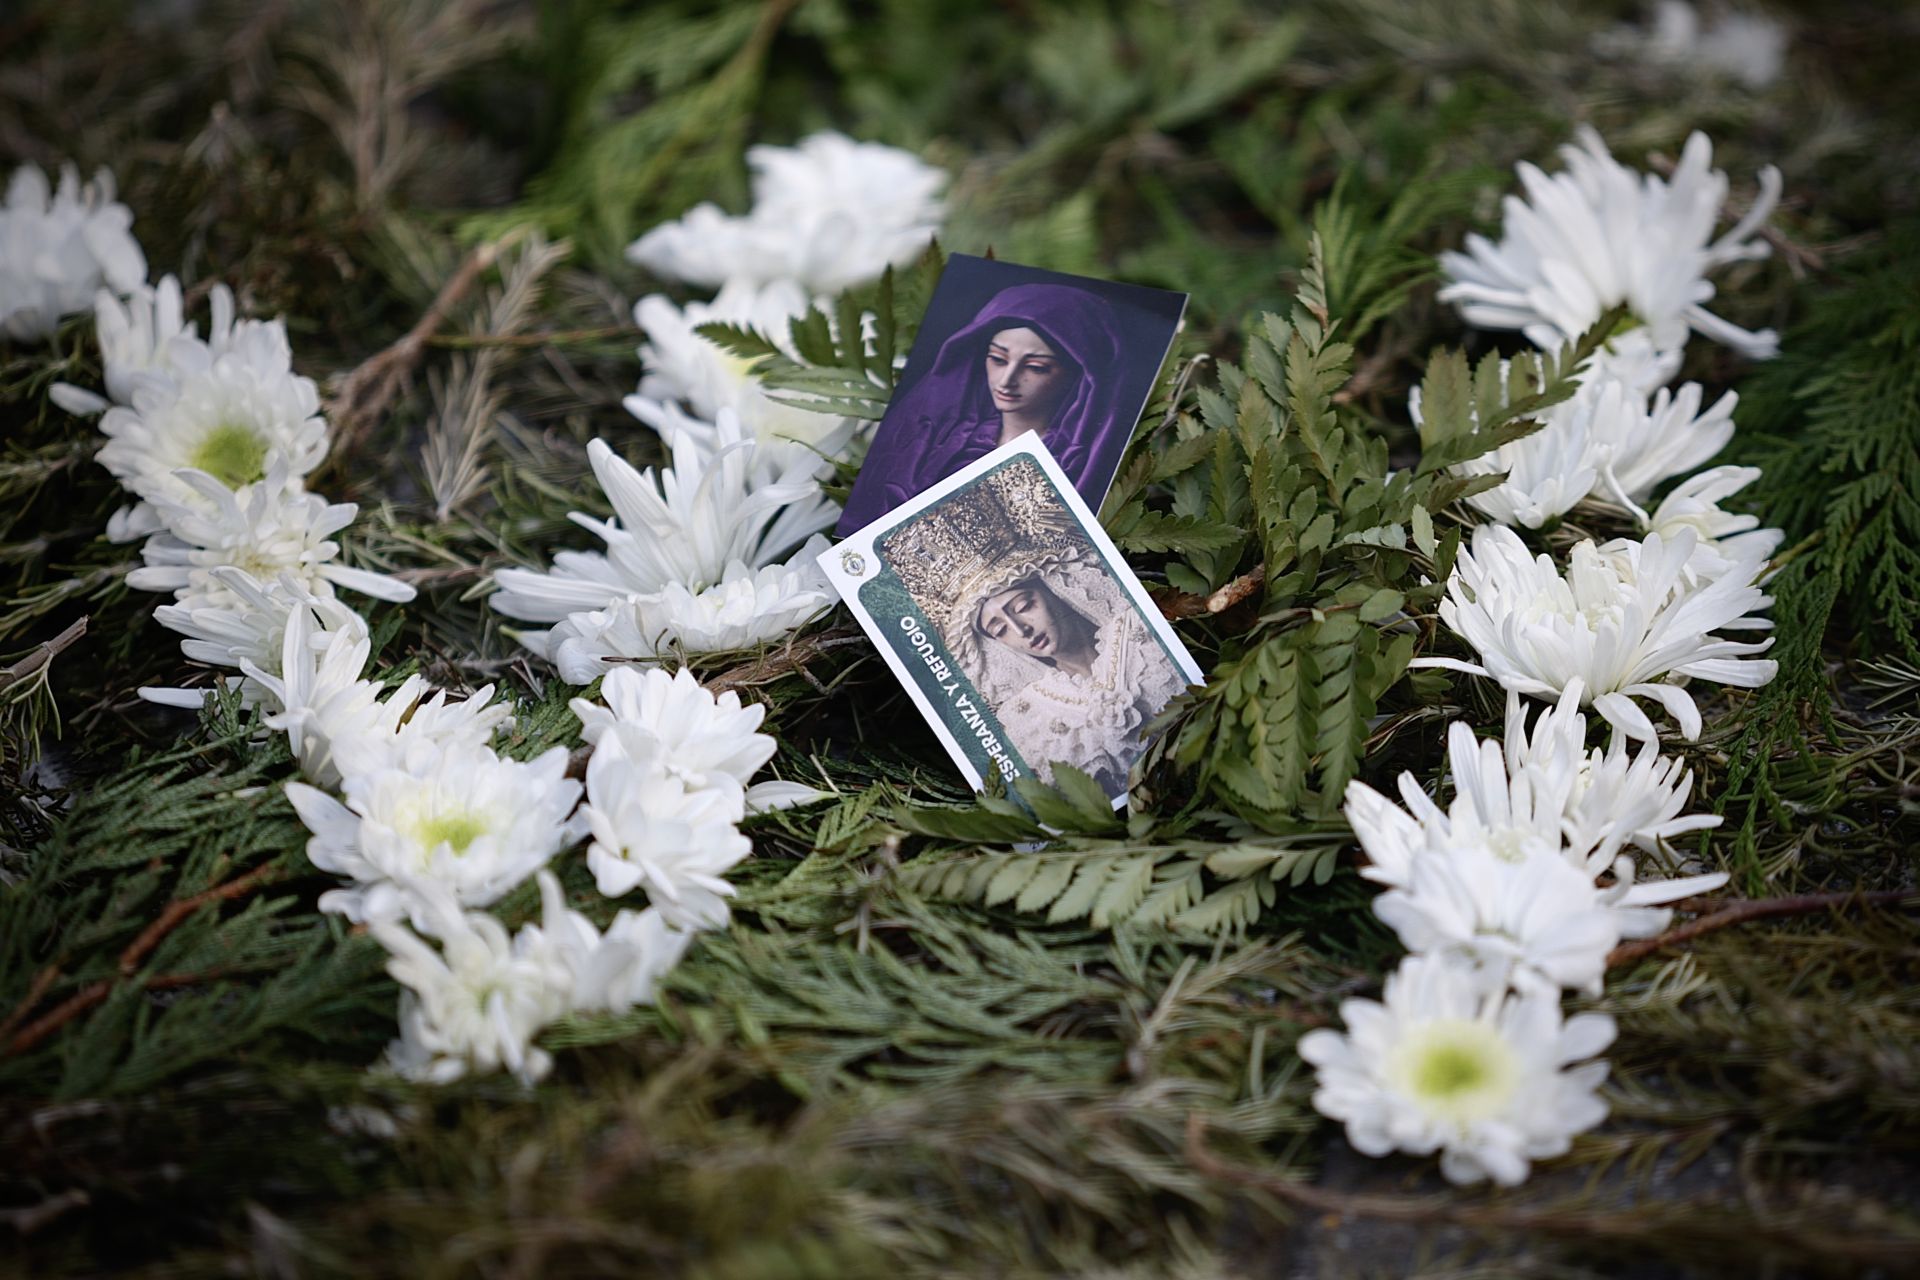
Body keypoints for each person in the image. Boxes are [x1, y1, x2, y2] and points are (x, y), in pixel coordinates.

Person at [838, 282, 1127, 533]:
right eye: (998, 359)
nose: (1007, 379)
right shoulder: (934, 444)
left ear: (1079, 375)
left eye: (1037, 367)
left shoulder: (1081, 465)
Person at [951, 549, 1189, 795]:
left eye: (1024, 606)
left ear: (1054, 588)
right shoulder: (1031, 717)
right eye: (1000, 630)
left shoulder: (1139, 634)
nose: (1021, 630)